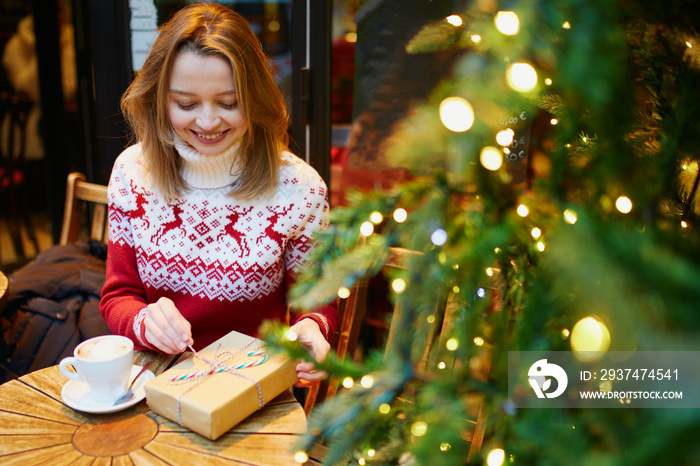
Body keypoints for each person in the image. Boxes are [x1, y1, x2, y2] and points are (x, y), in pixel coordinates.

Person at [99, 3, 337, 386]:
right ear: (159, 99)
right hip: (155, 383)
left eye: (229, 103)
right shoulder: (132, 173)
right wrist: (142, 322)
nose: (208, 122)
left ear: (255, 97)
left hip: (249, 387)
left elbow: (315, 300)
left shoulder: (299, 188)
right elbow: (118, 295)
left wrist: (312, 327)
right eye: (186, 104)